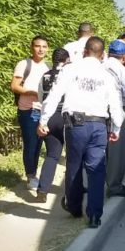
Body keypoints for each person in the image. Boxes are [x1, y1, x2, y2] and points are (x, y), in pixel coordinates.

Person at [38, 36, 124, 228]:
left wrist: (44, 120)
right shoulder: (107, 74)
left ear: (85, 51)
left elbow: (54, 95)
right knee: (96, 169)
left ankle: (74, 207)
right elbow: (116, 105)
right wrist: (116, 127)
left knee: (74, 165)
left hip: (75, 125)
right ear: (102, 55)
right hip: (99, 125)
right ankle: (94, 215)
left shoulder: (71, 69)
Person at [10, 36, 50, 194]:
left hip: (43, 110)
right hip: (27, 109)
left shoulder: (48, 66)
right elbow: (14, 86)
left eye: (44, 47)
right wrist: (32, 92)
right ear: (31, 47)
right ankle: (31, 175)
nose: (41, 49)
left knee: (39, 143)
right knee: (30, 143)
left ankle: (34, 173)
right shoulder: (24, 64)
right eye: (38, 46)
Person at [35, 48, 71, 202]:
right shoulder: (69, 74)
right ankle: (71, 191)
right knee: (72, 157)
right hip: (65, 116)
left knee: (52, 155)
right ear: (67, 59)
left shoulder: (45, 75)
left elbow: (41, 97)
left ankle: (43, 190)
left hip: (49, 117)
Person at [104, 39, 125, 197]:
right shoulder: (124, 71)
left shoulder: (99, 66)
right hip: (118, 112)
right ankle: (114, 185)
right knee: (118, 152)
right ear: (124, 56)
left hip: (97, 113)